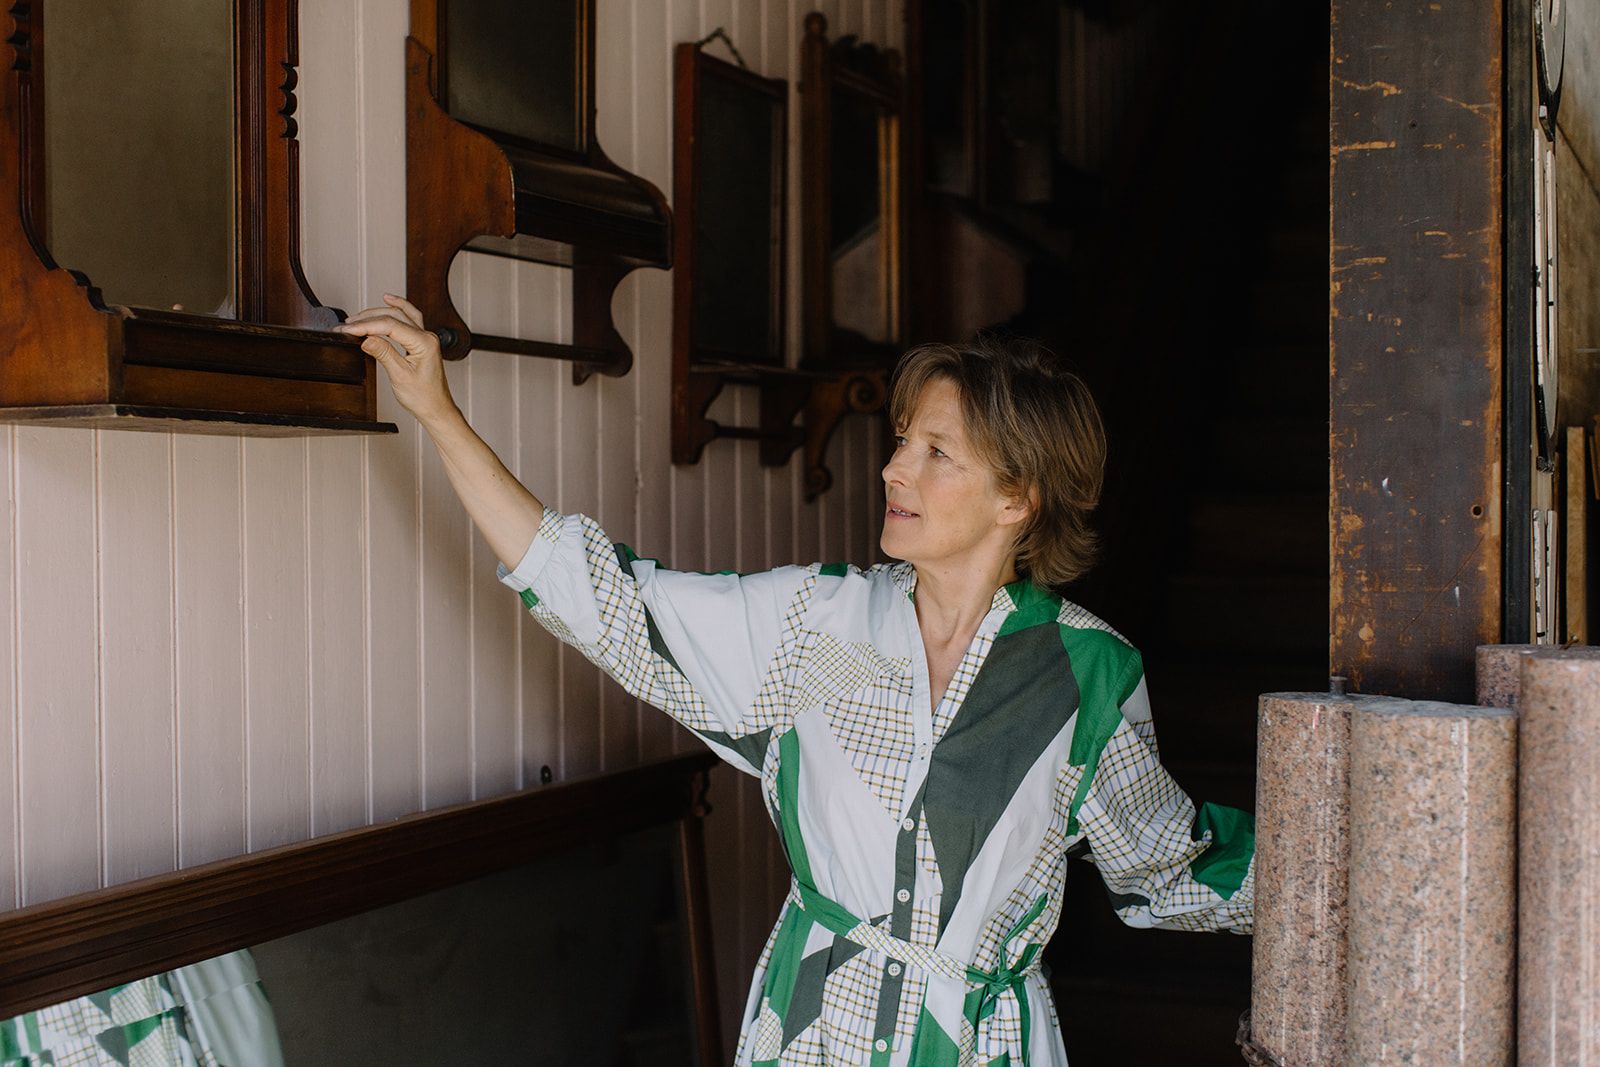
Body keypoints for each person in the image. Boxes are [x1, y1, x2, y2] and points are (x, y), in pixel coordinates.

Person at [337, 296, 1255, 1066]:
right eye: (902, 440)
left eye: (938, 452)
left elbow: (1169, 866)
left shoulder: (1084, 671)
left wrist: (1363, 870)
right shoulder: (816, 623)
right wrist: (437, 411)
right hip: (819, 1033)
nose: (895, 468)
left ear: (1019, 498)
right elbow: (607, 599)